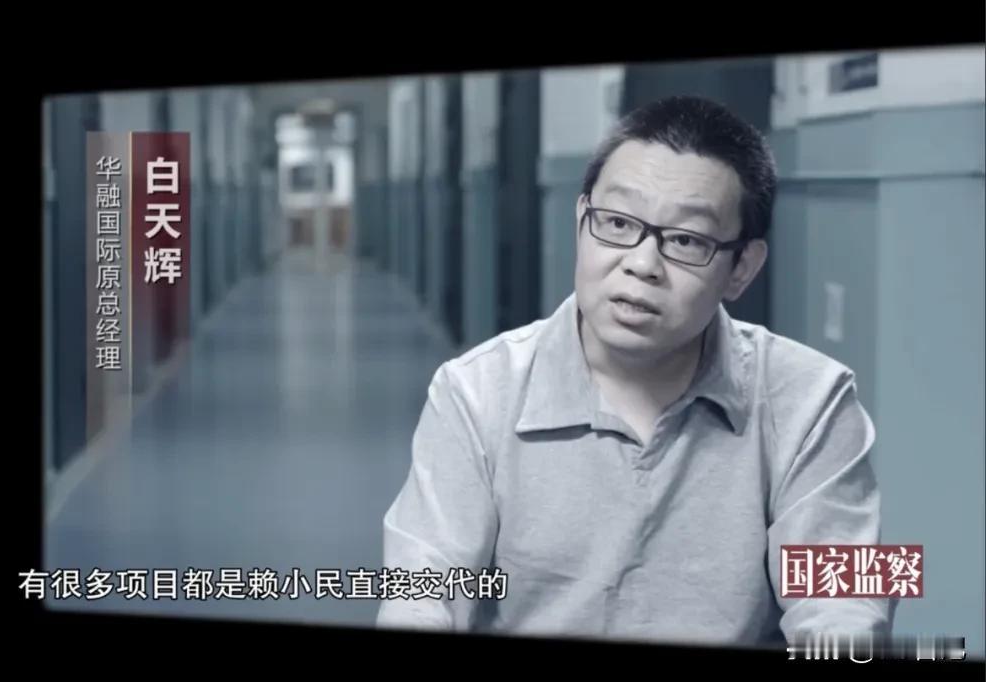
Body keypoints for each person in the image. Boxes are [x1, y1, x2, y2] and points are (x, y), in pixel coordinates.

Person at [376, 95, 895, 648]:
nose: (642, 264)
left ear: (742, 268)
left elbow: (847, 610)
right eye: (618, 223)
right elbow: (419, 591)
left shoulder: (817, 400)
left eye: (687, 240)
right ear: (581, 220)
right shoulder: (473, 391)